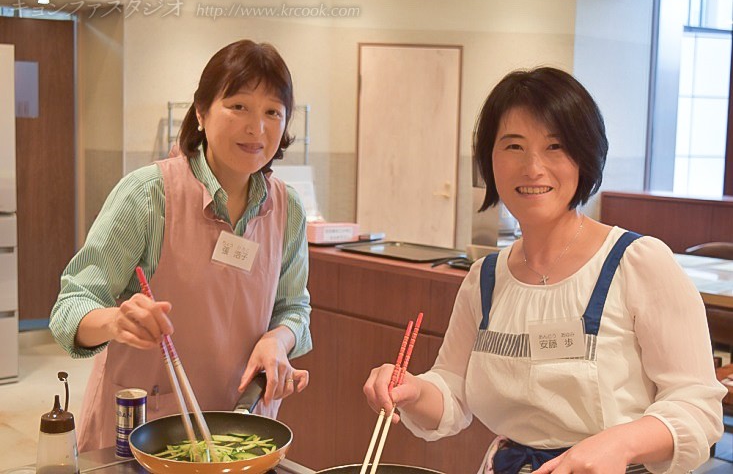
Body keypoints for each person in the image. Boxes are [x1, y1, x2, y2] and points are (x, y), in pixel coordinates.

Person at [363, 67, 726, 473]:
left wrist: (619, 444)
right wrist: (413, 389)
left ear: (585, 156)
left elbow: (698, 408)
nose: (533, 168)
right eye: (514, 147)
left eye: (555, 146)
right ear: (490, 160)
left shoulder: (638, 262)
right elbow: (453, 393)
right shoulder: (485, 277)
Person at [50, 39, 312, 452]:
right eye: (239, 106)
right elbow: (71, 306)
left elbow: (294, 307)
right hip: (145, 432)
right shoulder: (148, 195)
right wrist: (115, 321)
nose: (256, 128)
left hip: (243, 430)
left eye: (272, 112)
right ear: (201, 113)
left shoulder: (287, 208)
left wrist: (278, 340)